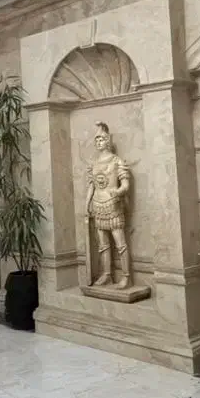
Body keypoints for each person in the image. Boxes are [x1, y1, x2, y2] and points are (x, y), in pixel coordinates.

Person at [86, 122, 131, 288]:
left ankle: (126, 276)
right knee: (103, 245)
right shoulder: (94, 163)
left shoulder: (117, 161)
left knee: (120, 244)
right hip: (97, 205)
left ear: (108, 141)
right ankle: (106, 275)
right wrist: (87, 204)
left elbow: (125, 185)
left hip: (112, 205)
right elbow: (91, 186)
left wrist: (118, 192)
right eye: (96, 140)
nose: (99, 142)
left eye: (101, 139)